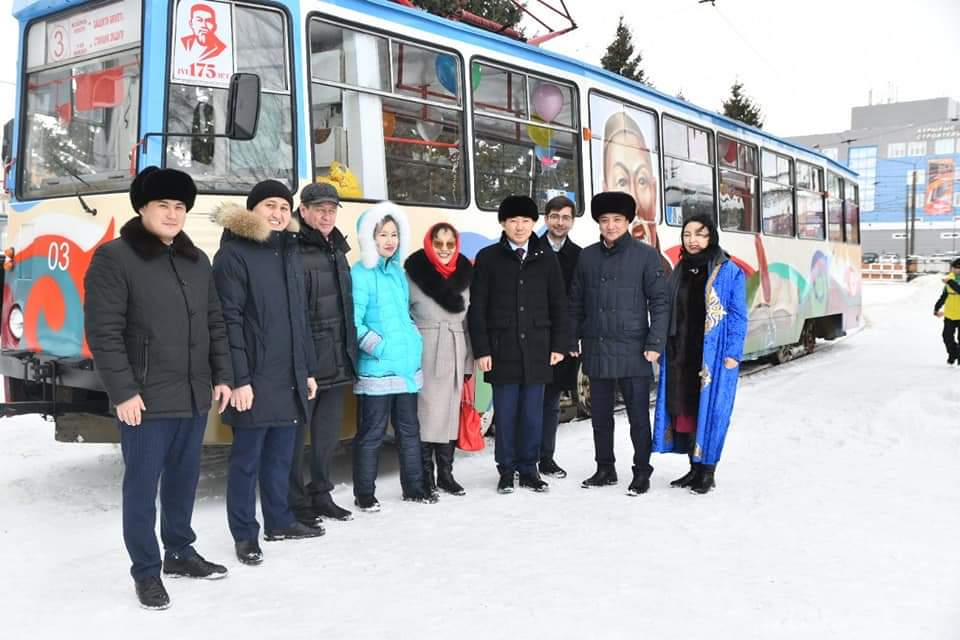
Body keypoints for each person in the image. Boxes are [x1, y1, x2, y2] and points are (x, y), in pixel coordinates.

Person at [84, 166, 233, 610]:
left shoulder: (196, 260)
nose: (172, 214)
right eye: (163, 205)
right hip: (144, 399)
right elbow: (104, 333)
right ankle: (146, 571)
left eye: (179, 207)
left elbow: (214, 323)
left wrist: (222, 375)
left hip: (191, 393)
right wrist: (124, 392)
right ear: (143, 208)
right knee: (142, 487)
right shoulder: (115, 258)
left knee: (184, 481)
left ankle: (180, 552)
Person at [213, 180, 323, 567]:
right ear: (252, 210)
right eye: (269, 206)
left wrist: (307, 369)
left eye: (282, 207)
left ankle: (279, 521)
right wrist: (238, 379)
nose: (277, 213)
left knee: (281, 457)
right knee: (247, 461)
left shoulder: (289, 250)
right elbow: (228, 321)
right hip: (254, 378)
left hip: (289, 375)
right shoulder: (233, 255)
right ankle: (245, 535)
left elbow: (300, 318)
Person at [568, 191, 668, 496]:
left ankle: (642, 472)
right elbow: (576, 302)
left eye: (617, 220)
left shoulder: (645, 255)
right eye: (605, 220)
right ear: (598, 222)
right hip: (597, 348)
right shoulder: (587, 256)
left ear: (628, 222)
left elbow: (661, 302)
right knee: (600, 417)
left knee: (638, 417)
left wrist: (656, 342)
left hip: (634, 349)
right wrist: (572, 337)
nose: (610, 225)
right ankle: (605, 468)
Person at [468, 195, 568, 494]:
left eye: (526, 221)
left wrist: (559, 345)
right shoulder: (488, 257)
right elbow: (478, 307)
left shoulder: (546, 256)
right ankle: (506, 469)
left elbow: (558, 304)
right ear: (503, 223)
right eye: (513, 221)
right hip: (502, 349)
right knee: (506, 413)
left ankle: (530, 469)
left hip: (538, 348)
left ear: (534, 223)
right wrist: (482, 349)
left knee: (532, 414)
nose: (520, 227)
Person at [652, 213, 748, 494]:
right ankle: (693, 469)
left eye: (700, 234)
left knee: (713, 411)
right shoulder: (680, 269)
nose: (693, 240)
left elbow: (739, 315)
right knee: (687, 411)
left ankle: (708, 472)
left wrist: (733, 352)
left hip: (714, 356)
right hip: (682, 352)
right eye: (688, 234)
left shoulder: (728, 270)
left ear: (711, 237)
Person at [351, 201, 435, 511]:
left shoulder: (398, 274)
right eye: (382, 234)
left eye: (394, 234)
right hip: (377, 370)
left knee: (410, 430)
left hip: (405, 366)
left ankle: (413, 487)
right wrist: (379, 347)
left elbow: (403, 314)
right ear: (368, 238)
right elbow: (354, 322)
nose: (389, 241)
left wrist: (412, 338)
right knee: (371, 434)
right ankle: (365, 493)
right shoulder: (360, 274)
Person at [288, 183, 359, 524]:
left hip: (337, 358)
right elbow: (295, 313)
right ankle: (295, 502)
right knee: (294, 437)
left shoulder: (338, 249)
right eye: (320, 209)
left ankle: (322, 493)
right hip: (307, 362)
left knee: (326, 438)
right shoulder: (292, 248)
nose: (327, 215)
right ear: (303, 211)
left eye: (332, 210)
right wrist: (303, 364)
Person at [406, 222, 474, 497]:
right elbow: (403, 316)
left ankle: (446, 473)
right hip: (425, 349)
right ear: (428, 244)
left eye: (450, 244)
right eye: (438, 244)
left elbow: (471, 320)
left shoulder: (466, 274)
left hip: (458, 349)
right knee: (426, 415)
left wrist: (469, 362)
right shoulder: (412, 275)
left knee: (449, 414)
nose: (444, 250)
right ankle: (425, 476)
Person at [538, 195, 582, 479]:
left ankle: (546, 459)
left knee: (551, 402)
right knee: (525, 402)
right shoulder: (530, 249)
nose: (560, 222)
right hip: (530, 337)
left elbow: (578, 301)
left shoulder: (579, 255)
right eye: (555, 216)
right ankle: (523, 459)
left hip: (559, 341)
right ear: (546, 219)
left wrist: (571, 339)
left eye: (565, 217)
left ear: (572, 221)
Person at [934, 257, 960, 365]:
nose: (957, 270)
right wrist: (936, 309)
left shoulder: (949, 281)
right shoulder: (949, 279)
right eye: (955, 268)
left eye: (959, 268)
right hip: (950, 314)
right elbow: (944, 296)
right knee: (947, 337)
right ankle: (954, 354)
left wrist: (949, 282)